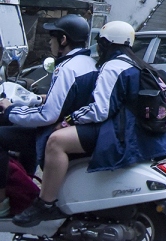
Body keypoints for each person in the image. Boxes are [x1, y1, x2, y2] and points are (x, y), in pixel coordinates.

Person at [14, 21, 166, 226]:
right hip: (135, 132)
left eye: (100, 43)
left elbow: (100, 109)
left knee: (56, 141)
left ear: (107, 44)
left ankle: (46, 203)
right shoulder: (134, 63)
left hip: (121, 134)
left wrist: (68, 120)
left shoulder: (113, 67)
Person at [0, 15, 95, 218]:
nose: (49, 43)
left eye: (52, 38)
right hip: (67, 125)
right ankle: (25, 190)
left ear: (63, 40)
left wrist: (10, 109)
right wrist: (43, 98)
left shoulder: (66, 68)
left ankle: (2, 203)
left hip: (53, 129)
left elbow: (47, 115)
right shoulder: (86, 62)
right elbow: (66, 100)